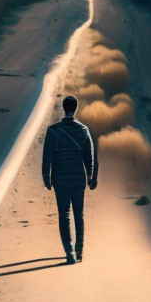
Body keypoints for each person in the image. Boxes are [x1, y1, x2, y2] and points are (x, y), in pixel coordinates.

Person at [42, 95, 97, 264]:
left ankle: (69, 252)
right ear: (76, 108)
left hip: (60, 179)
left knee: (64, 214)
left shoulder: (53, 131)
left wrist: (46, 177)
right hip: (78, 179)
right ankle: (79, 251)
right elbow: (90, 157)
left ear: (63, 108)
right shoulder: (83, 130)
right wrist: (91, 176)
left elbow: (47, 157)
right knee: (78, 215)